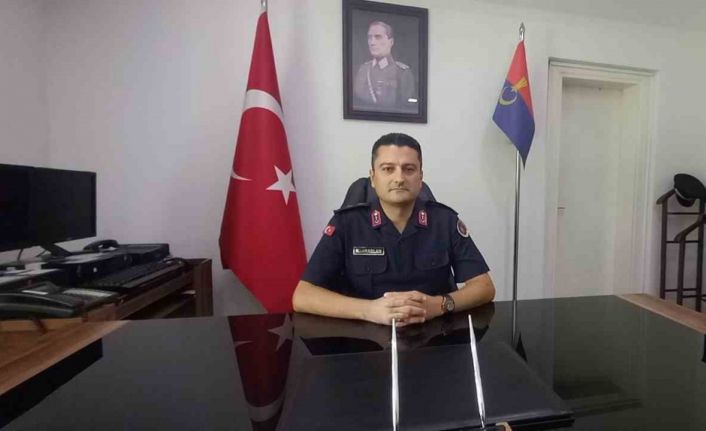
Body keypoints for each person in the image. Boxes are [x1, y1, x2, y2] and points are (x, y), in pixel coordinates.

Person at [293, 133, 495, 327]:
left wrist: (440, 304)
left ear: (420, 177)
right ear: (373, 177)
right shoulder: (347, 224)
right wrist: (369, 310)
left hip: (435, 335)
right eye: (388, 169)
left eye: (409, 169)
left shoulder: (445, 221)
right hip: (364, 338)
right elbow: (303, 296)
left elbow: (484, 286)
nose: (399, 178)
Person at [352, 21, 417, 112]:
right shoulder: (363, 70)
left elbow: (404, 100)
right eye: (369, 37)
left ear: (391, 42)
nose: (372, 42)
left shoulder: (402, 72)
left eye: (378, 37)